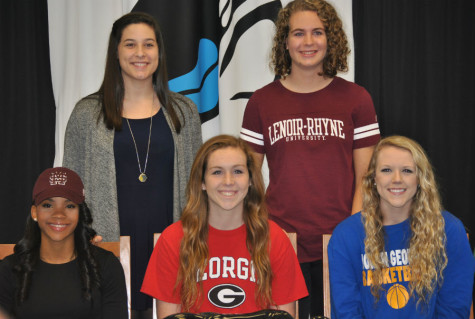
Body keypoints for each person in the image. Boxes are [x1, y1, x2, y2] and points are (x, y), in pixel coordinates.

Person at [240, 0, 380, 316]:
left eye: (317, 32)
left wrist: (350, 234)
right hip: (281, 240)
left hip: (340, 240)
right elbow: (245, 178)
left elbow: (366, 179)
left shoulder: (357, 99)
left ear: (331, 39)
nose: (308, 42)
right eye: (298, 33)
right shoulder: (262, 102)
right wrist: (262, 231)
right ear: (285, 42)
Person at [63, 12, 202, 317]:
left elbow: (197, 185)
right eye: (130, 45)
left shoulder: (185, 112)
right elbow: (69, 187)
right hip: (108, 245)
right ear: (116, 52)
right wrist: (80, 233)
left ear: (159, 52)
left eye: (148, 45)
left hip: (172, 246)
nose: (140, 53)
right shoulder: (87, 114)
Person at [141, 135, 308, 318]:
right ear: (202, 182)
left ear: (251, 180)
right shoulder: (174, 239)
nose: (228, 181)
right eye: (217, 172)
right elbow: (169, 317)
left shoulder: (274, 238)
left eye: (237, 171)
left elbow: (283, 316)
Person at [328, 136, 475, 318]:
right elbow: (346, 312)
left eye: (407, 171)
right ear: (374, 178)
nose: (397, 179)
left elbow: (454, 310)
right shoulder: (345, 236)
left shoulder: (450, 231)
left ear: (420, 178)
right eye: (387, 170)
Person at [0, 167, 127, 318]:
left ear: (80, 213)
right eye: (48, 205)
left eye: (69, 206)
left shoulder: (106, 266)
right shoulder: (9, 269)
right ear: (34, 212)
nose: (59, 214)